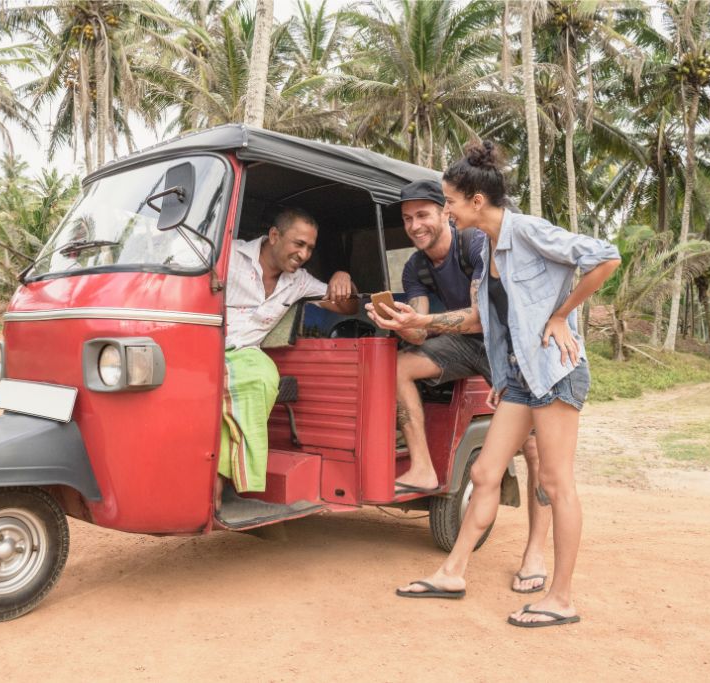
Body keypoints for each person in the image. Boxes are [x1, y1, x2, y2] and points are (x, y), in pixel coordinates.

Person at [378, 142, 620, 628]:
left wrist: (560, 315)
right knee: (486, 474)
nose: (445, 211)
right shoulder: (485, 246)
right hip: (521, 379)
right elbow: (485, 321)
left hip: (555, 372)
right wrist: (500, 374)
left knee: (555, 483)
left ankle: (561, 597)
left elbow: (606, 257)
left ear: (475, 202)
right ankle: (452, 572)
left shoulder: (526, 231)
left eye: (448, 202)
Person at [369, 179, 551, 594]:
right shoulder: (415, 267)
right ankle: (422, 466)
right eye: (407, 218)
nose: (415, 225)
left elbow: (480, 317)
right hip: (464, 346)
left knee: (537, 451)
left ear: (444, 212)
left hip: (508, 345)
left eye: (423, 215)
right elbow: (418, 331)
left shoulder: (472, 244)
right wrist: (397, 321)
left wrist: (422, 323)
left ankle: (535, 552)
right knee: (400, 366)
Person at [219, 207, 357, 498]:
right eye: (299, 244)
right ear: (274, 236)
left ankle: (227, 483)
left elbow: (347, 307)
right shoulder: (228, 256)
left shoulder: (300, 281)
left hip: (245, 356)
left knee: (261, 377)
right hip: (205, 348)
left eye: (310, 248)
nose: (304, 254)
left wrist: (343, 278)